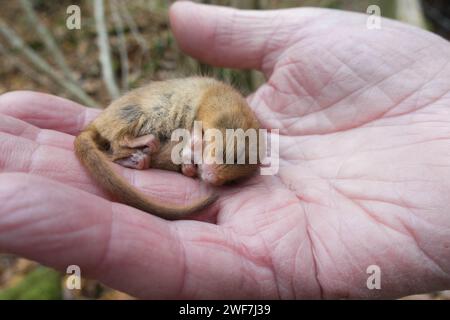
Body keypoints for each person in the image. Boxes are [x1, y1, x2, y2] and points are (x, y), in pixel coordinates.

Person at [0, 2, 449, 299]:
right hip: (145, 118)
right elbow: (210, 119)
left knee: (161, 151)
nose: (205, 175)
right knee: (135, 127)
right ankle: (123, 146)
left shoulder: (229, 149)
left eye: (214, 171)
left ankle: (128, 152)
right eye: (212, 163)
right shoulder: (224, 112)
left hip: (168, 134)